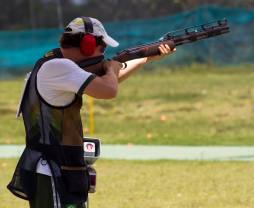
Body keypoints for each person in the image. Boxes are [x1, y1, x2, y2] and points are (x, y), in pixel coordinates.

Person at [7, 16, 174, 208]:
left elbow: (106, 81)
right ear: (87, 44)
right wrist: (112, 67)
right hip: (52, 169)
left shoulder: (54, 61)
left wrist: (144, 58)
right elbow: (108, 89)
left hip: (58, 166)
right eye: (102, 48)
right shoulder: (59, 67)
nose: (104, 53)